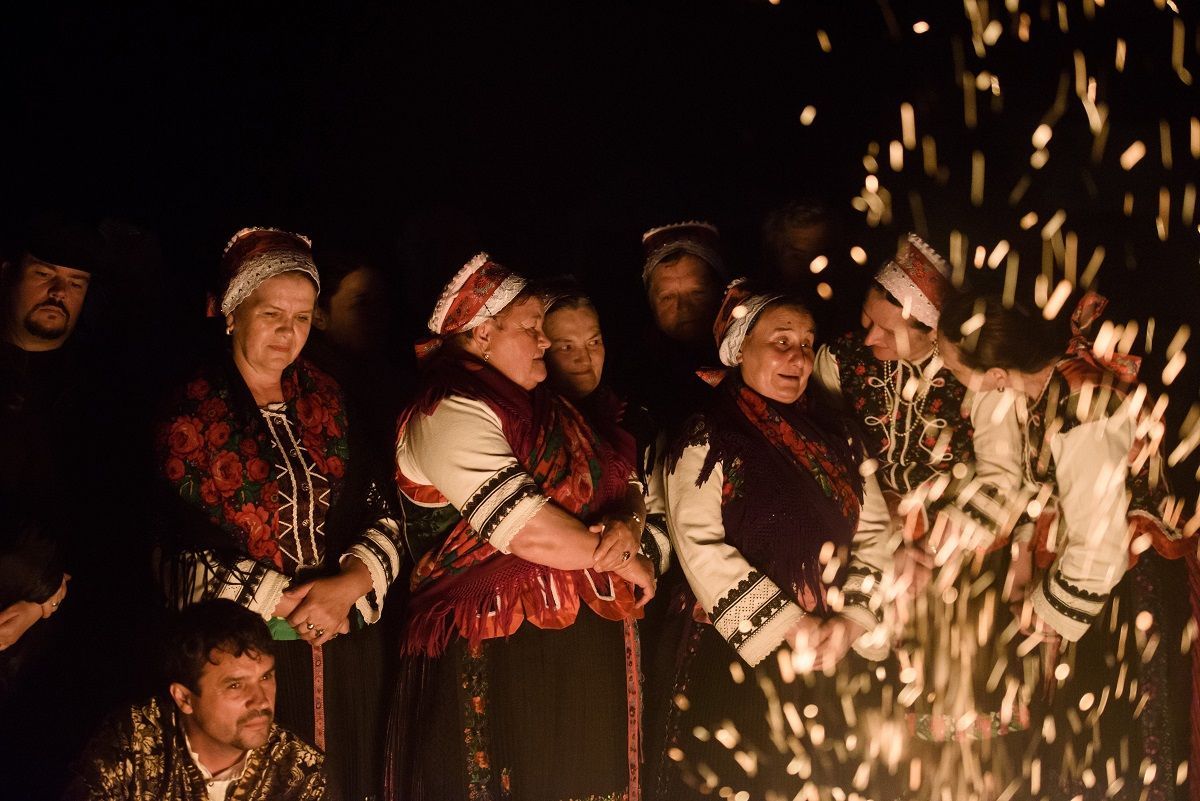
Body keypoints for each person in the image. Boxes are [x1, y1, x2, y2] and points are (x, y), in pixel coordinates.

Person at [385, 253, 657, 801]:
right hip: (498, 641)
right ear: (482, 335)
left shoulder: (551, 409)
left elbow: (621, 477)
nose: (544, 342)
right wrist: (627, 557)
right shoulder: (447, 412)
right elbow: (526, 530)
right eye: (532, 329)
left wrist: (628, 524)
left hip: (582, 633)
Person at [154, 227, 403, 801]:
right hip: (241, 662)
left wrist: (349, 585)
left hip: (345, 644)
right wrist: (289, 603)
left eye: (301, 316)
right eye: (271, 314)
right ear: (232, 313)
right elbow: (172, 540)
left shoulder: (330, 397)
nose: (287, 332)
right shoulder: (186, 412)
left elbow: (380, 503)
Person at [937, 289, 1195, 799]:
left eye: (953, 367)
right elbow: (1012, 477)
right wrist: (952, 542)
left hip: (1125, 589)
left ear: (993, 373)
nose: (949, 375)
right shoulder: (1030, 385)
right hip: (1081, 571)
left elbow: (1099, 554)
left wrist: (1039, 619)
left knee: (1110, 742)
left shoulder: (1084, 410)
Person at [652, 280, 894, 800]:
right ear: (740, 349)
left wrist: (853, 619)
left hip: (830, 648)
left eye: (807, 344)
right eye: (780, 342)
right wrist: (790, 625)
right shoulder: (706, 435)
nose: (798, 357)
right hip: (736, 654)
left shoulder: (842, 436)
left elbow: (876, 531)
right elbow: (698, 545)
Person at [65, 599, 325, 801]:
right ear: (184, 698)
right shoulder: (130, 744)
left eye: (265, 677)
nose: (260, 701)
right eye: (235, 685)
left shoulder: (301, 771)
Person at [542, 283, 670, 576]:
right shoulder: (527, 423)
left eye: (593, 342)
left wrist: (629, 537)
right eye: (565, 346)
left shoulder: (636, 424)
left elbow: (665, 528)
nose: (584, 359)